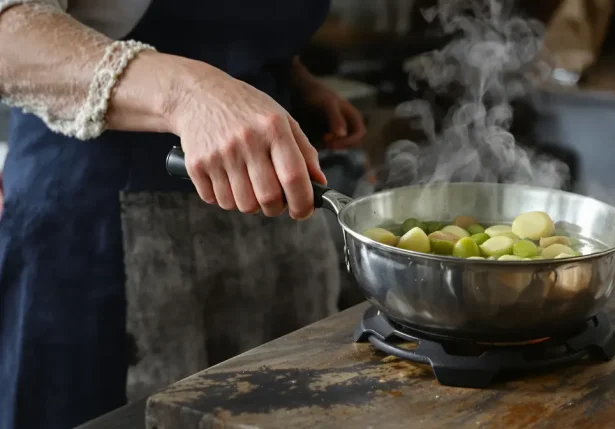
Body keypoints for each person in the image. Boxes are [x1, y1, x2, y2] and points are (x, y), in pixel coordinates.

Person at [0, 1, 366, 428]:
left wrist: (291, 78)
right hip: (99, 230)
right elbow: (9, 37)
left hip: (273, 228)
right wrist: (189, 95)